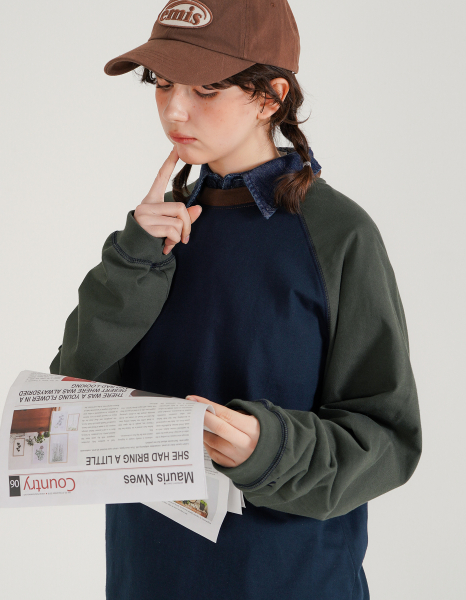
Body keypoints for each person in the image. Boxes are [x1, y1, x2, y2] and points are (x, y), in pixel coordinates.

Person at [50, 1, 422, 598]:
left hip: (290, 580)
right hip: (148, 576)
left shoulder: (338, 234)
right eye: (162, 83)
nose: (175, 109)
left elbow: (387, 439)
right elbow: (74, 397)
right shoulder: (153, 236)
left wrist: (268, 449)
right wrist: (133, 260)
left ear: (271, 96)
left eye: (206, 88)